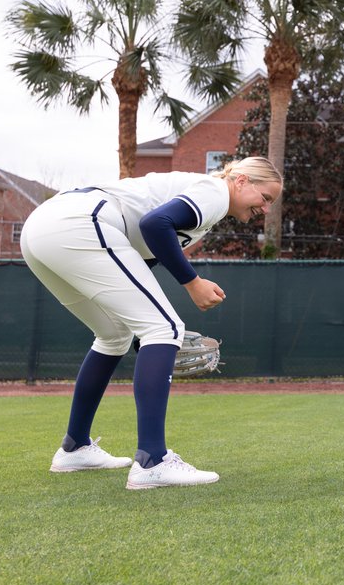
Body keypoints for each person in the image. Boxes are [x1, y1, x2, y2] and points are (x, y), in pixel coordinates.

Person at [20, 157, 283, 489]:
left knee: (115, 334)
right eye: (266, 198)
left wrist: (145, 339)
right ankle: (152, 460)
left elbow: (142, 254)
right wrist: (193, 282)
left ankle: (76, 447)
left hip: (41, 230)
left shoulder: (206, 200)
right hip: (78, 221)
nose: (266, 208)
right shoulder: (216, 191)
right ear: (242, 181)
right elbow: (154, 224)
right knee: (165, 327)